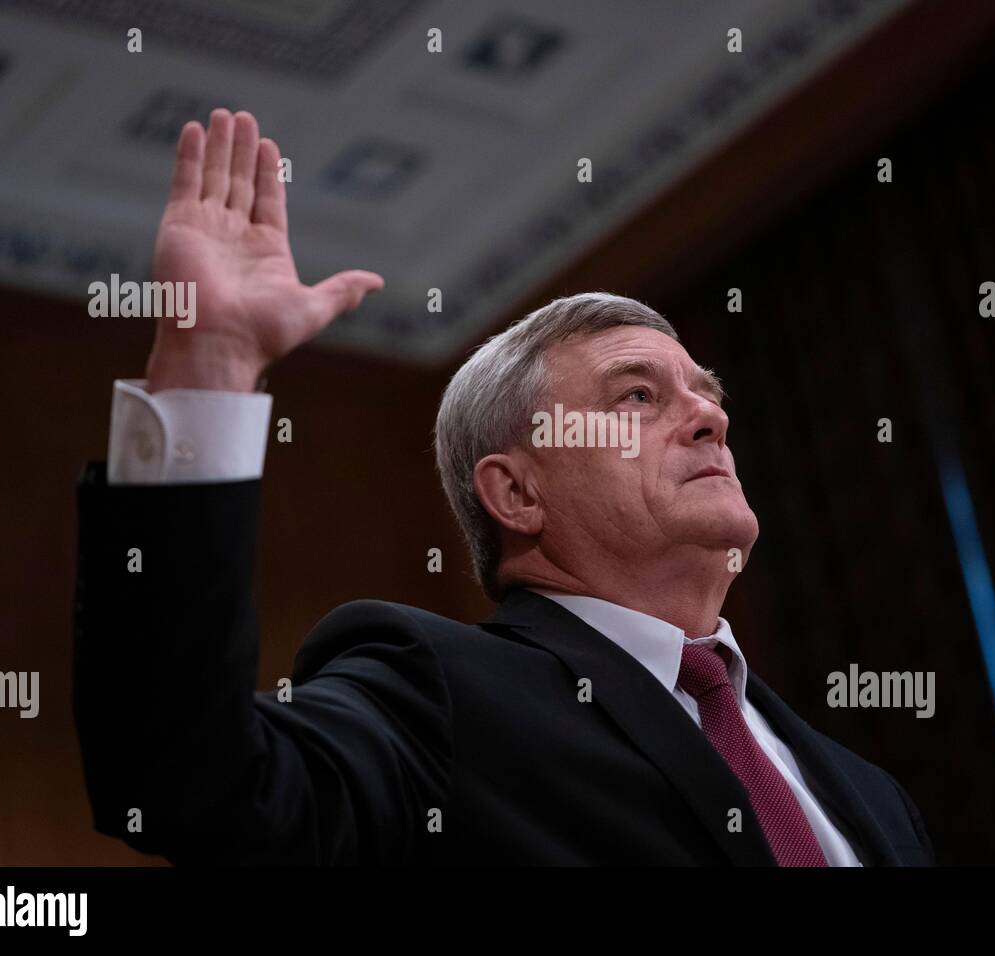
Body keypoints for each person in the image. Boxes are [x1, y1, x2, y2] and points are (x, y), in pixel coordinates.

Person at [73, 109, 934, 866]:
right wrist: (208, 366)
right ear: (516, 493)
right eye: (638, 395)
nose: (710, 420)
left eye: (707, 395)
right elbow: (190, 785)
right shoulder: (440, 693)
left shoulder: (873, 795)